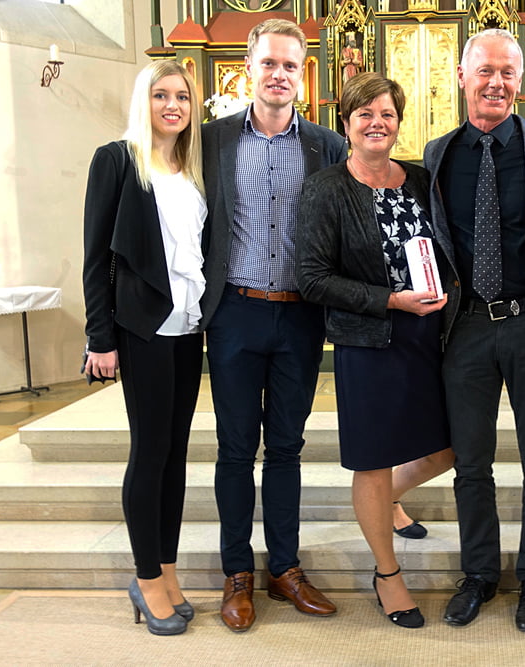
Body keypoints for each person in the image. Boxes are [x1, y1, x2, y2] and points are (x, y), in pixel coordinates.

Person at [423, 28, 525, 632]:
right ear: (462, 77)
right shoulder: (437, 154)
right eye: (484, 70)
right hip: (466, 329)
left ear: (522, 78)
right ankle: (480, 574)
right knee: (471, 464)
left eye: (507, 72)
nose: (496, 82)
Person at [199, 18, 348, 633]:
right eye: (269, 63)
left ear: (301, 73)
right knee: (236, 449)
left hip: (299, 314)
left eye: (290, 65)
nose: (279, 74)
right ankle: (238, 573)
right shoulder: (210, 140)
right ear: (249, 67)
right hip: (234, 311)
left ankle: (284, 568)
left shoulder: (325, 145)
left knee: (286, 447)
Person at [297, 72, 457, 629]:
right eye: (364, 113)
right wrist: (391, 300)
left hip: (428, 336)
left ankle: (389, 498)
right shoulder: (326, 188)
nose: (376, 123)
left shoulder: (420, 179)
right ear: (346, 122)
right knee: (373, 460)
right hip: (367, 342)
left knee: (449, 448)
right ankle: (387, 574)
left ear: (398, 122)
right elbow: (313, 278)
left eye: (386, 114)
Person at [82, 60, 206, 636]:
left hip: (188, 325)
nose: (172, 106)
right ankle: (146, 577)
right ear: (144, 101)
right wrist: (99, 338)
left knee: (176, 453)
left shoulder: (193, 166)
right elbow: (95, 257)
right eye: (161, 95)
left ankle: (169, 570)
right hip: (141, 326)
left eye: (181, 96)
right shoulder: (116, 160)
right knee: (150, 450)